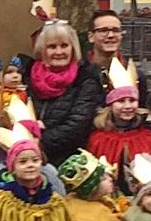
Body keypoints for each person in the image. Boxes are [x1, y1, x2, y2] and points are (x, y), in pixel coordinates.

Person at [86, 59, 151, 195]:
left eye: (132, 100)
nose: (127, 106)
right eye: (120, 101)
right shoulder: (99, 138)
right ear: (110, 104)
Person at [28, 21, 106, 163]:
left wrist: (40, 142)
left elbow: (77, 125)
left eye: (64, 46)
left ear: (73, 48)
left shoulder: (86, 78)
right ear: (42, 49)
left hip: (69, 159)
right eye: (52, 46)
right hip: (27, 157)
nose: (59, 52)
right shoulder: (27, 76)